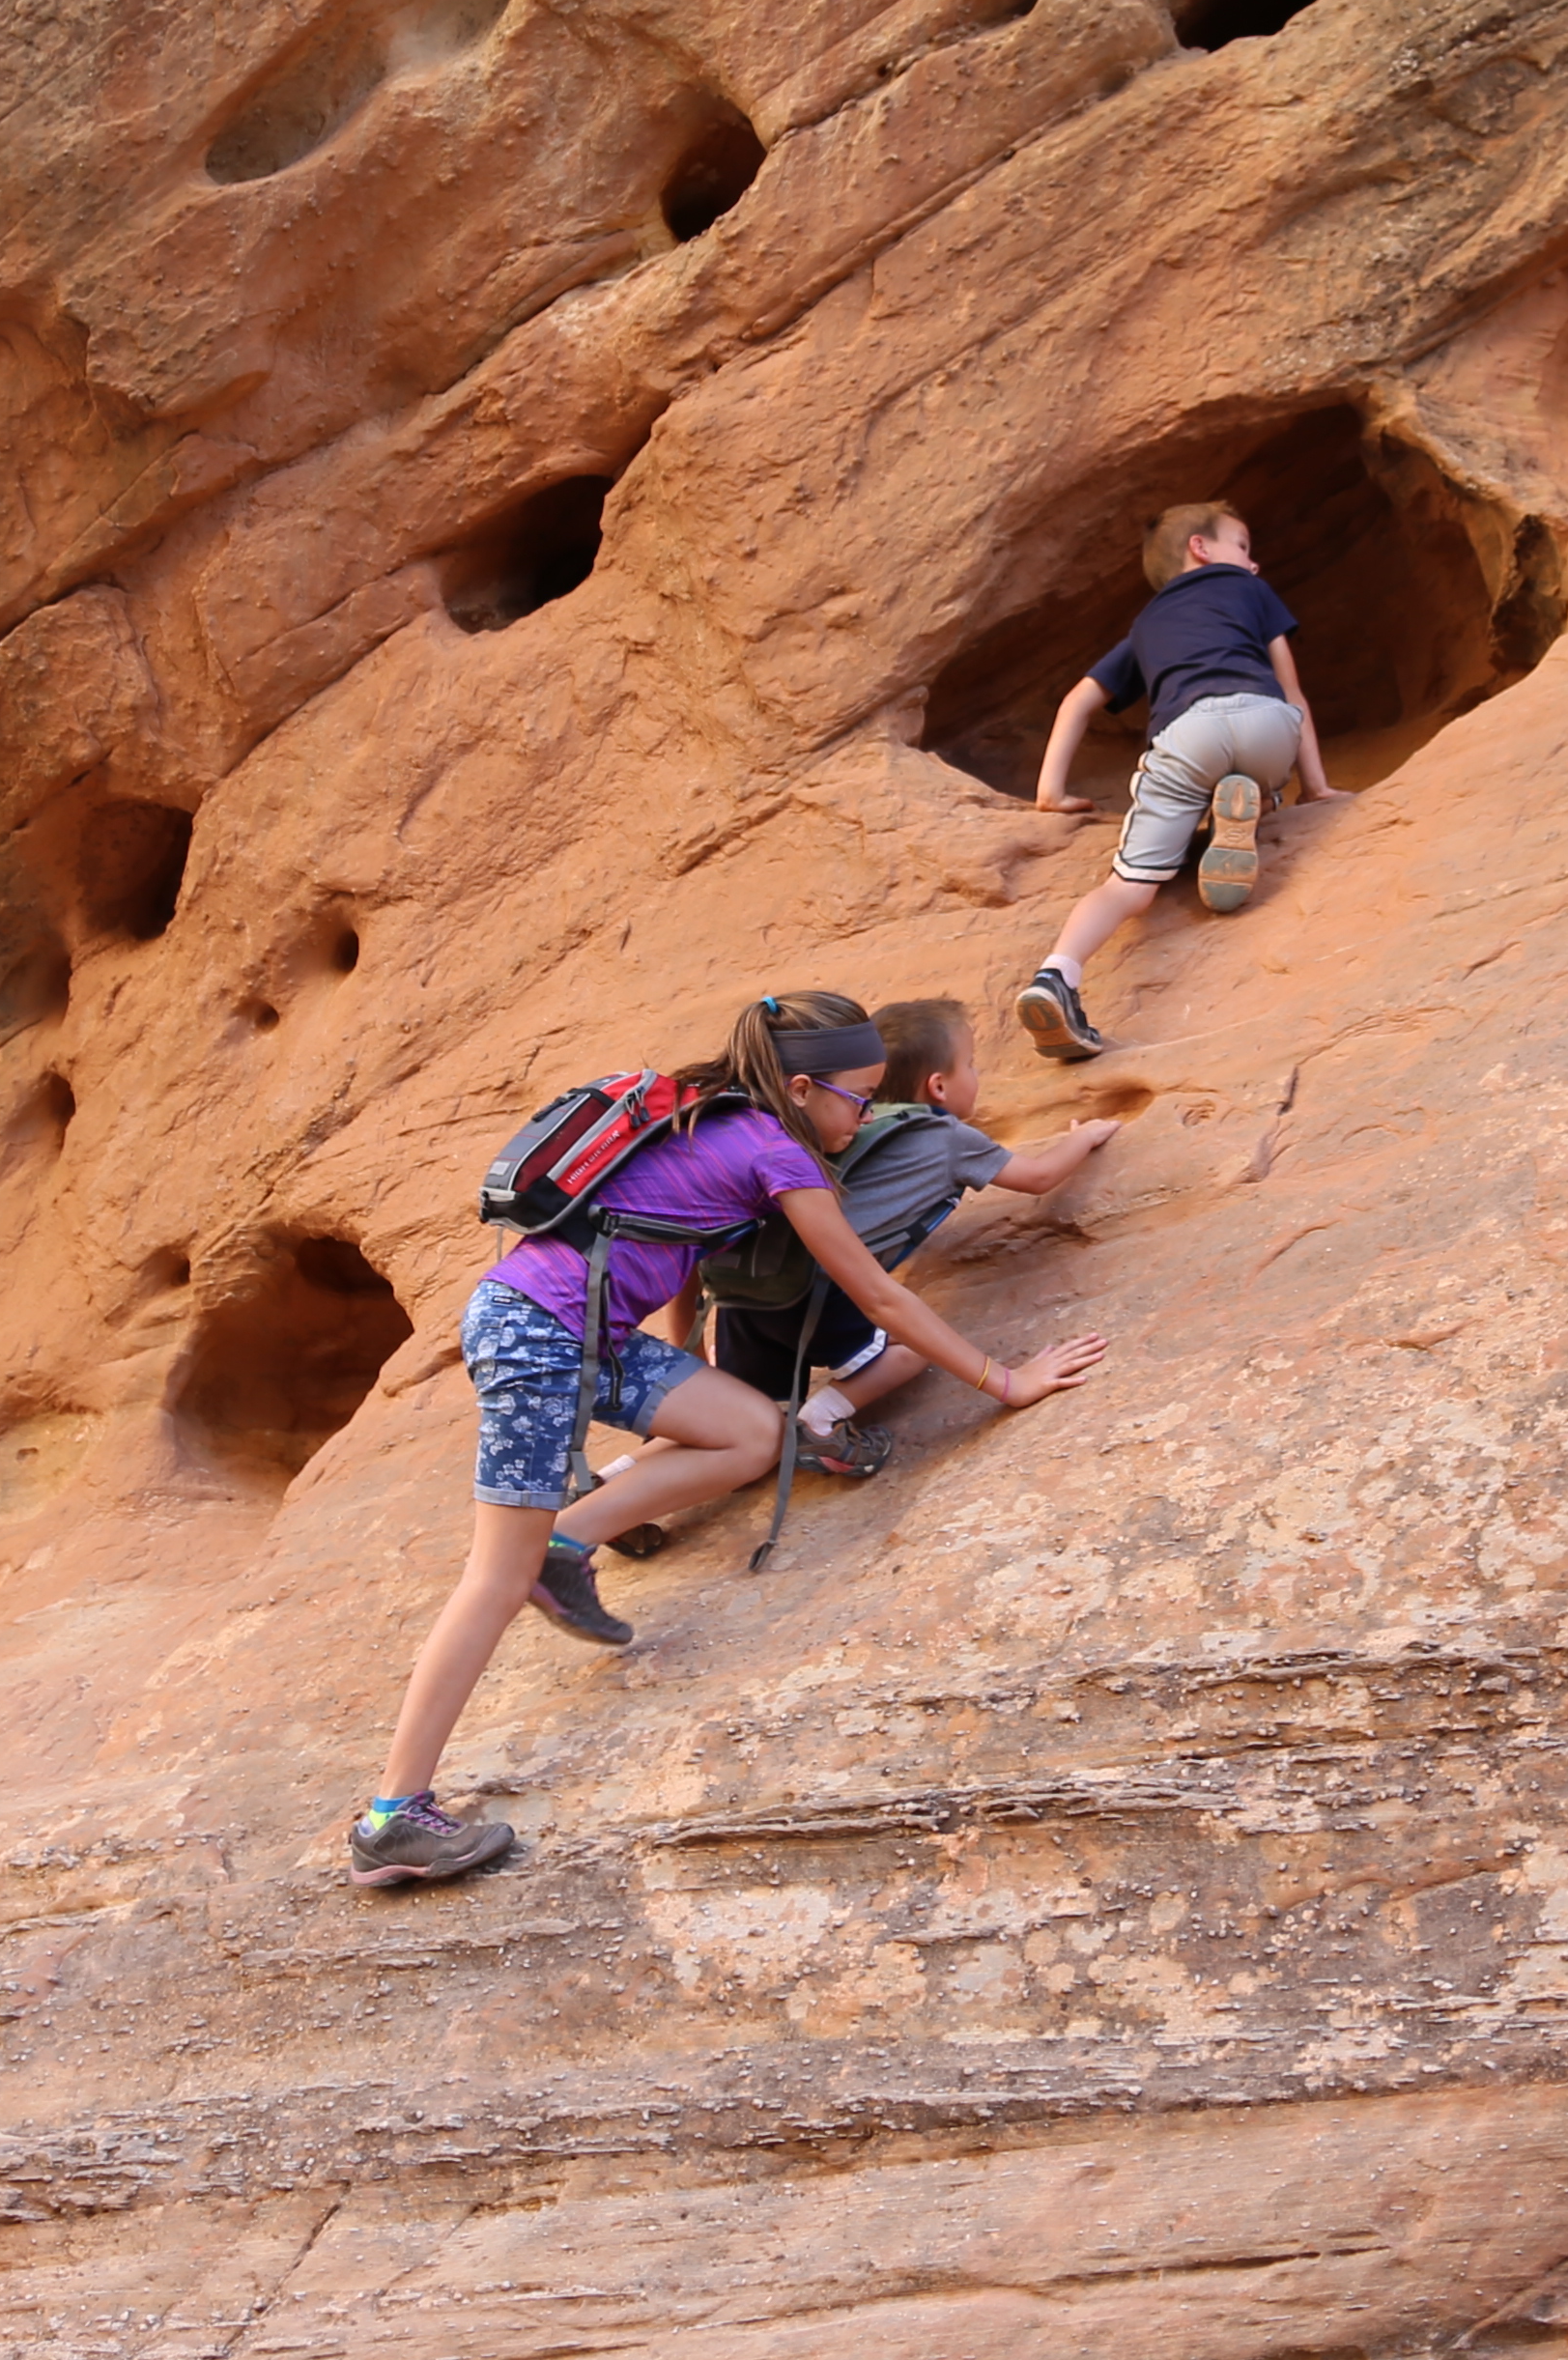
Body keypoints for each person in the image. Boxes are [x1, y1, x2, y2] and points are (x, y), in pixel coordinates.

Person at [350, 991, 1109, 1889]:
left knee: (752, 1433)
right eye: (859, 1098)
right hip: (539, 1335)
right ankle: (393, 1817)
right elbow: (881, 1300)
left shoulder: (706, 1114)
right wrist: (1006, 1382)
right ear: (801, 1087)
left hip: (579, 1327)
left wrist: (678, 1377)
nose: (867, 1114)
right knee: (491, 1580)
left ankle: (569, 1544)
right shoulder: (774, 1150)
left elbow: (673, 1242)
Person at [702, 996, 1122, 1479]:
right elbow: (1040, 1177)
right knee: (913, 1346)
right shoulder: (947, 1139)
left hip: (746, 1297)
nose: (977, 1074)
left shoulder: (827, 1125)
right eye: (971, 1064)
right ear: (939, 1086)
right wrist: (1082, 1138)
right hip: (813, 1298)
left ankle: (611, 1479)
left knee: (740, 1417)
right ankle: (820, 1420)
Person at [1013, 503, 1340, 1061]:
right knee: (1261, 769)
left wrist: (1051, 793)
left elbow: (1078, 701)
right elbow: (1293, 692)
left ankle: (1056, 977)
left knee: (1129, 887)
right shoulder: (1251, 593)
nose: (1253, 563)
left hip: (1188, 733)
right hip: (1266, 723)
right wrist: (1319, 787)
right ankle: (1246, 809)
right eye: (1243, 546)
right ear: (1200, 547)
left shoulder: (1146, 625)